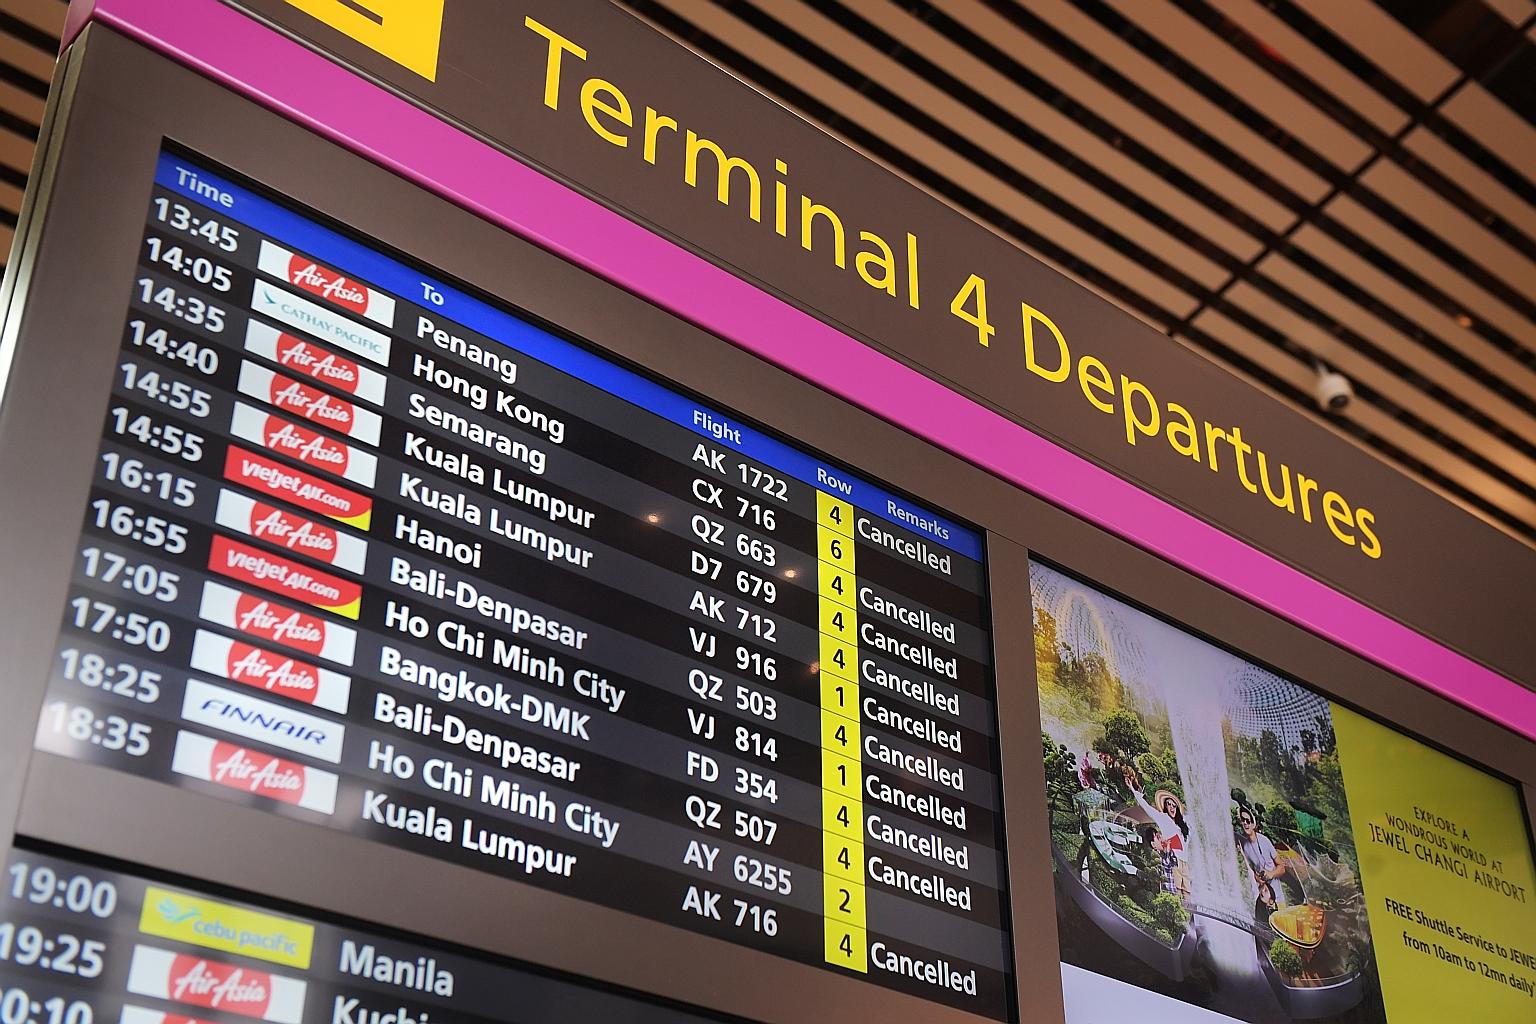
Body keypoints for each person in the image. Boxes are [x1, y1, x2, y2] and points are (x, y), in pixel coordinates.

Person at [1129, 772, 1190, 896]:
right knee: (1177, 891)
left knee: (1188, 891)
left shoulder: (1183, 823)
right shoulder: (1163, 818)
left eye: (1174, 805)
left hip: (1185, 861)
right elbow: (1147, 807)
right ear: (1165, 806)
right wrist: (1133, 789)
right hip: (1174, 859)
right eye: (1169, 804)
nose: (1172, 808)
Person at [1238, 806, 1288, 908]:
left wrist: (1271, 874)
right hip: (1262, 901)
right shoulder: (1245, 846)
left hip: (1277, 900)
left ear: (1253, 823)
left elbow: (1282, 868)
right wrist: (1257, 878)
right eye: (1243, 820)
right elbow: (1252, 871)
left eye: (1248, 820)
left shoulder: (1265, 841)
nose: (1245, 823)